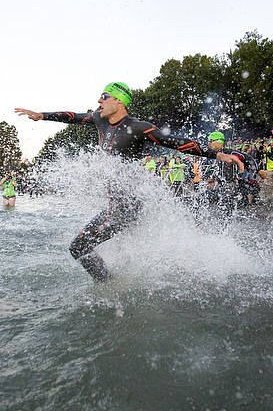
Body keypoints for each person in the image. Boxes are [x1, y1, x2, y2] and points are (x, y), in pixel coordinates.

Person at [15, 81, 230, 281]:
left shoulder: (137, 127)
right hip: (115, 206)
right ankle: (122, 281)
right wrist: (42, 115)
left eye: (104, 96)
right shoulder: (100, 119)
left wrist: (216, 154)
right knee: (108, 250)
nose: (99, 101)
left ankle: (108, 284)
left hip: (128, 206)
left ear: (119, 101)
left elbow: (175, 142)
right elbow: (73, 116)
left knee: (78, 247)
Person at [205, 131, 266, 205]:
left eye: (211, 141)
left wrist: (258, 170)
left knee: (226, 203)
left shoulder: (230, 153)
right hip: (220, 184)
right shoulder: (213, 155)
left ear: (219, 141)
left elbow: (247, 158)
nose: (209, 143)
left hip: (231, 184)